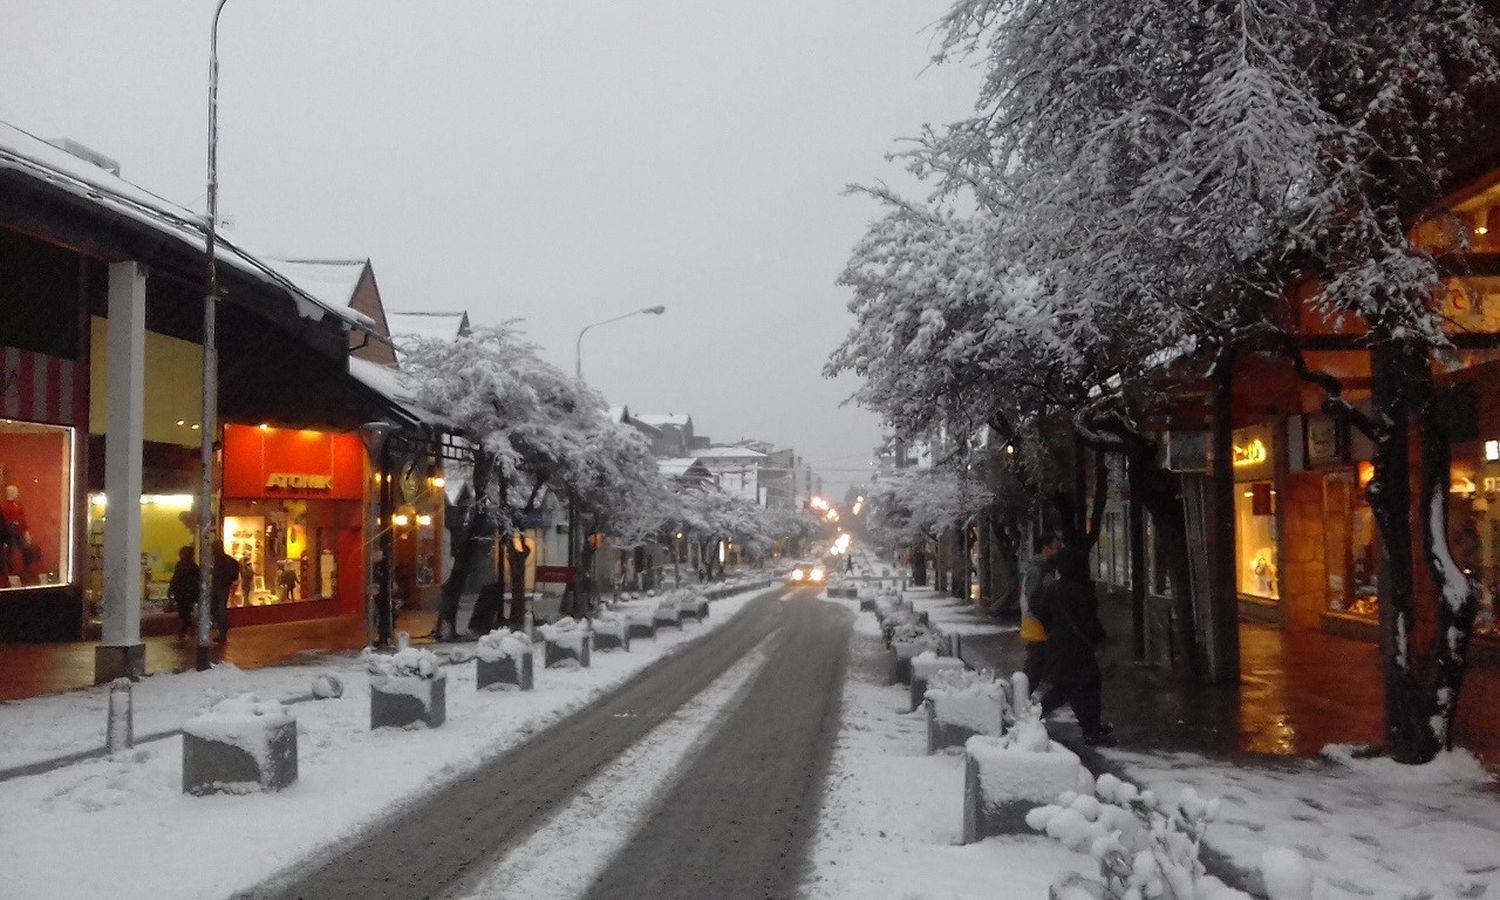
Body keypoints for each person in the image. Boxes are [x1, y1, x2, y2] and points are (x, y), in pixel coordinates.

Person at [1032, 547, 1114, 746]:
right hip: (1079, 649)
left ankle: (1089, 727)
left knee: (1068, 688)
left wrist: (1055, 632)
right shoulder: (1082, 590)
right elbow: (1090, 622)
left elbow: (1042, 614)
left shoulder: (1054, 588)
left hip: (1059, 646)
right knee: (1085, 687)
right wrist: (1100, 640)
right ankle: (1091, 731)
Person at [1015, 533, 1062, 689]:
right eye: (1055, 547)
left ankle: (1023, 704)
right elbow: (1033, 599)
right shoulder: (1038, 571)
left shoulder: (1042, 569)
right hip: (1038, 629)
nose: (1058, 551)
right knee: (1033, 675)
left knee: (1039, 673)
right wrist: (1047, 621)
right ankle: (1019, 705)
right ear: (1045, 549)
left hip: (1040, 629)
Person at [168, 545, 200, 639]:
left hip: (183, 592)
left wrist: (171, 590)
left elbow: (175, 579)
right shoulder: (193, 567)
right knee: (185, 612)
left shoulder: (183, 565)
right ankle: (189, 629)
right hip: (187, 593)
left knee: (184, 612)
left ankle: (184, 630)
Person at [211, 543, 239, 642]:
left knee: (219, 609)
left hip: (221, 586)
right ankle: (222, 629)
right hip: (221, 586)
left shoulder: (222, 561)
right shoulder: (223, 560)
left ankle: (223, 629)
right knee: (217, 608)